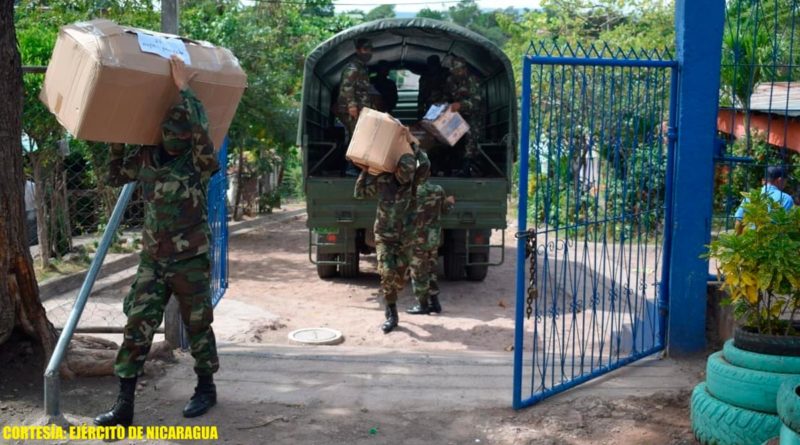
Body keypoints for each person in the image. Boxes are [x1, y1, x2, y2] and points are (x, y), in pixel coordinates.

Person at [95, 55, 220, 427]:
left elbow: (202, 129)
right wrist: (118, 140)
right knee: (137, 326)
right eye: (173, 132)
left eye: (184, 134)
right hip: (153, 258)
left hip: (189, 259)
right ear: (164, 131)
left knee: (198, 324)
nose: (179, 138)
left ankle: (206, 388)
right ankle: (124, 405)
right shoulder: (148, 157)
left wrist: (185, 90)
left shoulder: (199, 163)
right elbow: (116, 175)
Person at [354, 145, 430, 333]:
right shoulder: (383, 181)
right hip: (384, 236)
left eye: (410, 171)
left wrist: (416, 149)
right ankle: (392, 313)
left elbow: (426, 164)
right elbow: (359, 193)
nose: (407, 175)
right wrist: (364, 172)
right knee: (387, 274)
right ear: (397, 169)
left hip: (405, 238)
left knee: (399, 278)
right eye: (404, 171)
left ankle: (393, 294)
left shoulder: (414, 184)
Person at [406, 167, 455, 315]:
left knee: (418, 271)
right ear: (429, 174)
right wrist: (450, 202)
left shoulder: (411, 192)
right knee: (430, 269)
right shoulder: (438, 190)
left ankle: (422, 305)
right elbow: (446, 210)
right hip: (433, 239)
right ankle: (435, 303)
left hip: (416, 239)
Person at [445, 57, 482, 177]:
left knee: (471, 140)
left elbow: (476, 102)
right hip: (457, 116)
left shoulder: (472, 80)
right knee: (448, 137)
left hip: (472, 115)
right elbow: (448, 97)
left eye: (458, 71)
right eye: (454, 71)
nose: (457, 74)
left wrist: (461, 105)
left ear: (464, 69)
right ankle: (450, 166)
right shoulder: (451, 80)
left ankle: (468, 168)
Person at [734, 165, 793, 235]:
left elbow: (739, 221)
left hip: (751, 240)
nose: (785, 184)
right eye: (785, 181)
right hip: (774, 242)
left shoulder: (751, 195)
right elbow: (787, 226)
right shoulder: (786, 198)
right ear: (779, 180)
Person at [336, 38, 373, 140]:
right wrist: (352, 106)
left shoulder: (362, 67)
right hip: (353, 110)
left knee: (359, 137)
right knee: (357, 138)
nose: (368, 52)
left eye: (370, 49)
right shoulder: (353, 67)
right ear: (358, 50)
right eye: (365, 49)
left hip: (360, 108)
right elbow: (347, 86)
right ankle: (352, 156)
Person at [417, 55, 448, 119]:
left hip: (444, 103)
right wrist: (420, 108)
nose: (433, 67)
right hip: (431, 103)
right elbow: (422, 92)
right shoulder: (426, 76)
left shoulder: (446, 74)